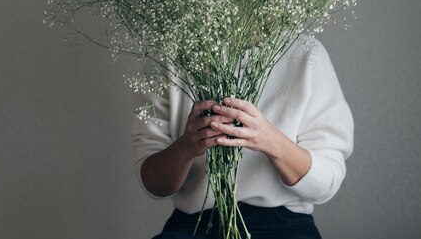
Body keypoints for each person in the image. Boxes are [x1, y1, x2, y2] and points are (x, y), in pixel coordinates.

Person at [132, 35, 354, 239]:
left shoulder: (306, 53)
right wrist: (186, 148)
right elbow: (153, 185)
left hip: (284, 225)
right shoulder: (169, 54)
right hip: (194, 226)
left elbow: (326, 185)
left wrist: (271, 141)